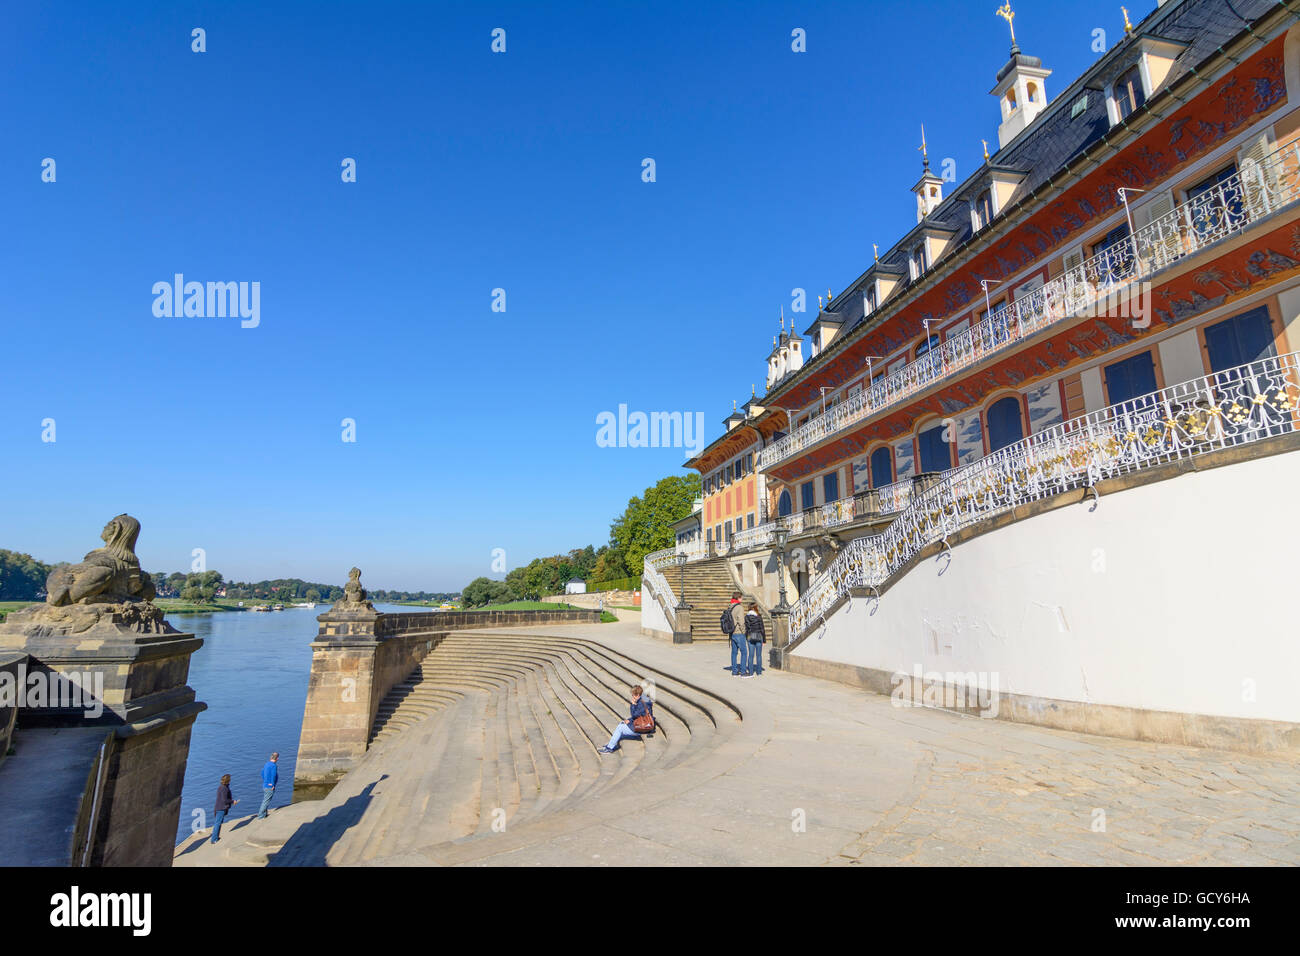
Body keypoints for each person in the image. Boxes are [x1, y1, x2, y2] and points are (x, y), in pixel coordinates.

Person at [598, 684, 654, 754]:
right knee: (622, 724)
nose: (632, 697)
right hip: (644, 724)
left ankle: (609, 748)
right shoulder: (644, 700)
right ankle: (611, 744)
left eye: (633, 695)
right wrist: (629, 720)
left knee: (620, 728)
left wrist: (633, 704)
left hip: (643, 727)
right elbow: (639, 715)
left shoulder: (641, 703)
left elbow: (634, 714)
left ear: (637, 695)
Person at [723, 591, 746, 676]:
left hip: (731, 633)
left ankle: (734, 671)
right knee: (744, 652)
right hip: (738, 632)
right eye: (741, 597)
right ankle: (743, 672)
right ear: (739, 598)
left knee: (734, 653)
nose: (742, 599)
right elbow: (741, 621)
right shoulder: (739, 607)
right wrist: (744, 632)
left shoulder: (730, 606)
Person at [211, 774, 238, 843]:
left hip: (218, 807)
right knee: (218, 823)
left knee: (218, 822)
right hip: (221, 808)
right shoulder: (224, 789)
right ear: (228, 780)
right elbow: (224, 800)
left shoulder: (221, 787)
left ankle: (216, 837)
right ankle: (214, 839)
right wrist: (233, 801)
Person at [743, 601, 766, 678]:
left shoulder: (746, 617)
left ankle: (751, 672)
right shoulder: (759, 616)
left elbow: (746, 628)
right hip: (759, 636)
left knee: (751, 655)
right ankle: (759, 672)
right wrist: (764, 639)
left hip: (750, 636)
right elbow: (762, 628)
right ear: (755, 608)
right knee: (759, 655)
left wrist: (747, 637)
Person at [256, 752, 279, 819]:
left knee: (265, 799)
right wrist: (272, 784)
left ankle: (264, 814)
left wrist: (265, 780)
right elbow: (273, 775)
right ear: (277, 758)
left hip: (265, 785)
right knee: (266, 801)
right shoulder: (273, 766)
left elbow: (262, 773)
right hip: (269, 786)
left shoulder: (266, 764)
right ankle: (260, 815)